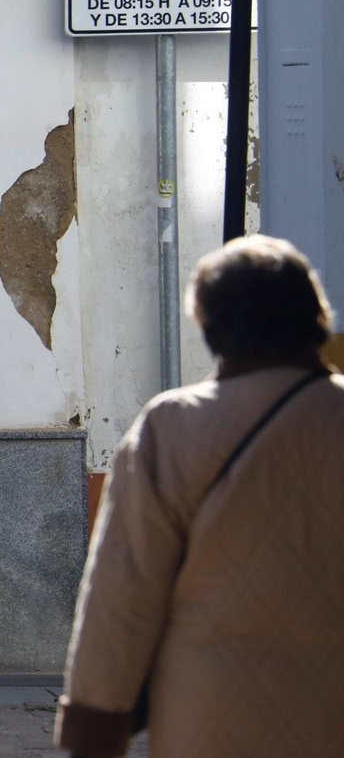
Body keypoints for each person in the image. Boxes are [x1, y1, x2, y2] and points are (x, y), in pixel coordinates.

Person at [56, 237, 344, 758]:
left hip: (209, 712)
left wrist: (95, 721)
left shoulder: (173, 426)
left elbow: (122, 590)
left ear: (210, 324)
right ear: (314, 316)